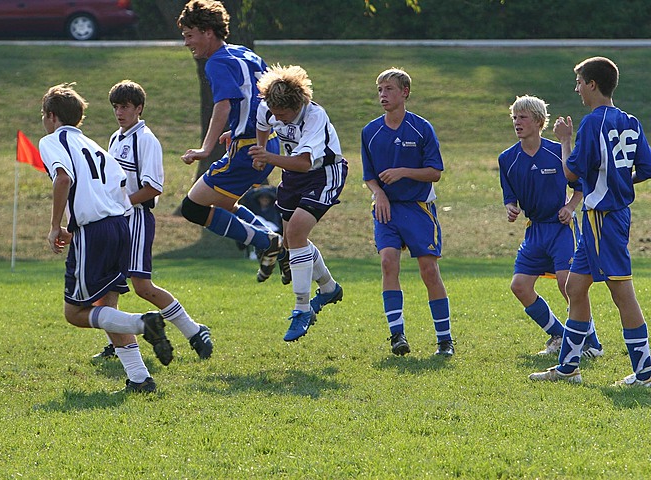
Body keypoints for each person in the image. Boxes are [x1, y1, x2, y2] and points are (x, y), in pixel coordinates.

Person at [39, 83, 173, 393]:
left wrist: (56, 225)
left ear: (51, 116)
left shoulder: (50, 141)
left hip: (96, 231)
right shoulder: (96, 146)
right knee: (106, 308)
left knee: (74, 313)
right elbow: (118, 186)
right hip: (119, 226)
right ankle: (140, 379)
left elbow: (63, 177)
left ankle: (144, 324)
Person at [529, 56, 651, 386]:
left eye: (580, 82)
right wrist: (617, 182)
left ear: (593, 85)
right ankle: (569, 368)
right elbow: (647, 167)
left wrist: (565, 139)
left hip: (604, 218)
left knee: (621, 292)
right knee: (575, 286)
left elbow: (570, 172)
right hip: (606, 215)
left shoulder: (592, 123)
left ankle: (646, 373)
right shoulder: (631, 121)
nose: (577, 88)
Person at [92, 80, 213, 361]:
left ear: (139, 108)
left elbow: (153, 188)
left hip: (136, 219)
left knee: (142, 287)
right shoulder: (115, 138)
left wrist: (121, 202)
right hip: (114, 220)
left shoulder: (146, 139)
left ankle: (194, 330)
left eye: (125, 107)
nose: (119, 112)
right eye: (115, 107)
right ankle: (119, 342)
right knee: (107, 286)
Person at [176, 0, 285, 283]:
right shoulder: (244, 53)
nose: (187, 43)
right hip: (267, 143)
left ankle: (267, 241)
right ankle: (270, 240)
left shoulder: (216, 63)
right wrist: (237, 129)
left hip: (248, 150)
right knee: (224, 204)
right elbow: (269, 96)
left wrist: (205, 149)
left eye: (190, 35)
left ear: (208, 31)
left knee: (193, 207)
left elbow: (223, 105)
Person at [499, 95, 603, 357]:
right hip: (534, 230)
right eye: (514, 118)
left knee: (567, 284)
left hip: (560, 229)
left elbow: (580, 188)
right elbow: (509, 196)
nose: (517, 122)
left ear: (538, 121)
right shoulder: (507, 158)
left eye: (522, 117)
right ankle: (559, 334)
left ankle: (592, 343)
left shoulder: (557, 153)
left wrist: (569, 207)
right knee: (519, 286)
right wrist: (510, 207)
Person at [361, 67, 454, 357]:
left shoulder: (421, 128)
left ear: (405, 92)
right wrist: (378, 194)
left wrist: (403, 172)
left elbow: (435, 173)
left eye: (388, 89)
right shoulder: (370, 131)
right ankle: (397, 336)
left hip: (418, 209)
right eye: (379, 89)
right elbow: (369, 176)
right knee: (388, 262)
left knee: (429, 271)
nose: (382, 95)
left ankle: (444, 340)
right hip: (386, 209)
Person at [249, 64, 346, 342]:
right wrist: (261, 149)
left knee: (295, 234)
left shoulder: (315, 116)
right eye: (274, 113)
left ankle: (302, 309)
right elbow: (262, 125)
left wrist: (268, 158)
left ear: (298, 104)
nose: (277, 118)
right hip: (292, 174)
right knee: (292, 243)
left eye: (282, 115)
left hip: (323, 173)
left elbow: (305, 163)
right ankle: (328, 288)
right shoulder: (269, 107)